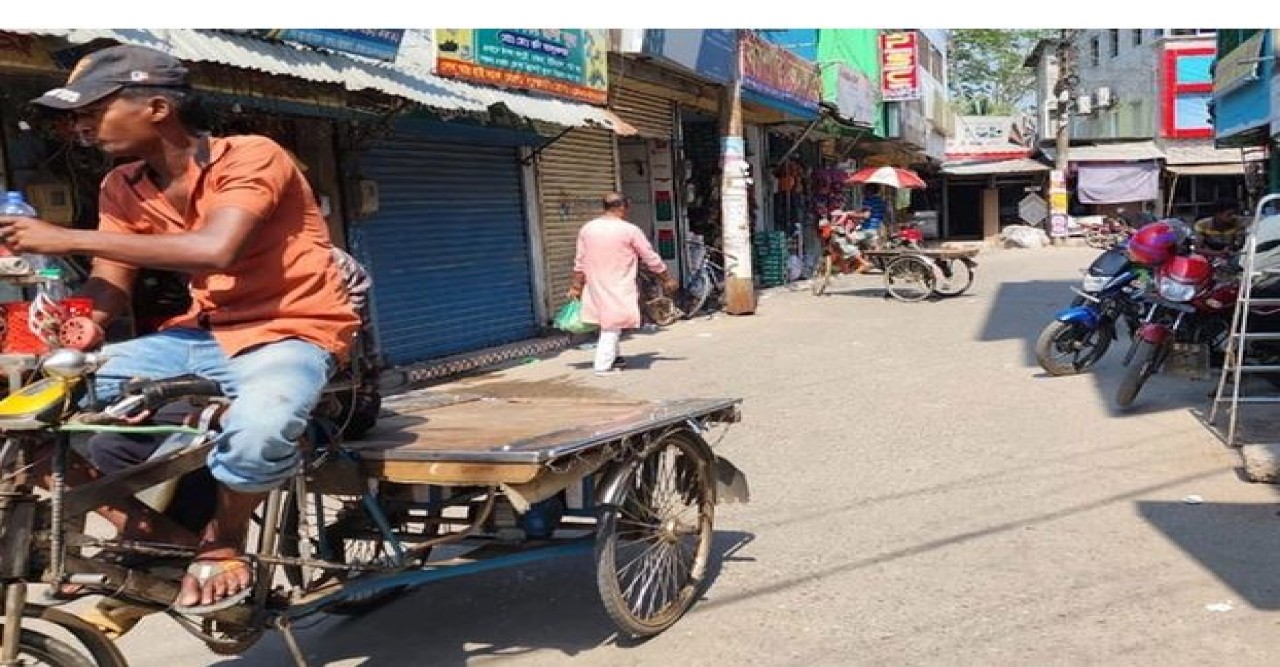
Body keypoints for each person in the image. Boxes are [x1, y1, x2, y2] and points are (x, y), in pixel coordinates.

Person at [0, 45, 360, 614]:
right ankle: (156, 534)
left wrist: (64, 237)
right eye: (74, 116)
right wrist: (85, 322)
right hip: (196, 337)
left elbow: (215, 249)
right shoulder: (121, 184)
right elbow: (111, 281)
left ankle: (222, 545)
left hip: (289, 332)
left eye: (92, 111)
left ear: (158, 107)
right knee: (21, 411)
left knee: (261, 430)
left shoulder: (252, 156)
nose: (80, 126)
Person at [567, 193, 676, 375]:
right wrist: (666, 278)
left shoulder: (588, 229)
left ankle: (615, 358)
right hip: (618, 284)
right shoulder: (629, 230)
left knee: (610, 322)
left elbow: (580, 261)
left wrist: (576, 285)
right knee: (611, 325)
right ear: (623, 207)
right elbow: (649, 257)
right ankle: (602, 366)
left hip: (595, 283)